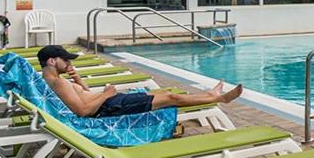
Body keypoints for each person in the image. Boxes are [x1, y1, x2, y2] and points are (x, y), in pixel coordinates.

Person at [37, 45, 242, 117]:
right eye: (65, 60)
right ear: (52, 61)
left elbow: (84, 98)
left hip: (109, 102)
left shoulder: (54, 81)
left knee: (162, 95)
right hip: (110, 106)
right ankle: (218, 99)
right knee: (169, 97)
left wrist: (79, 81)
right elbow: (83, 111)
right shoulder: (58, 83)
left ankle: (211, 95)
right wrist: (107, 94)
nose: (68, 63)